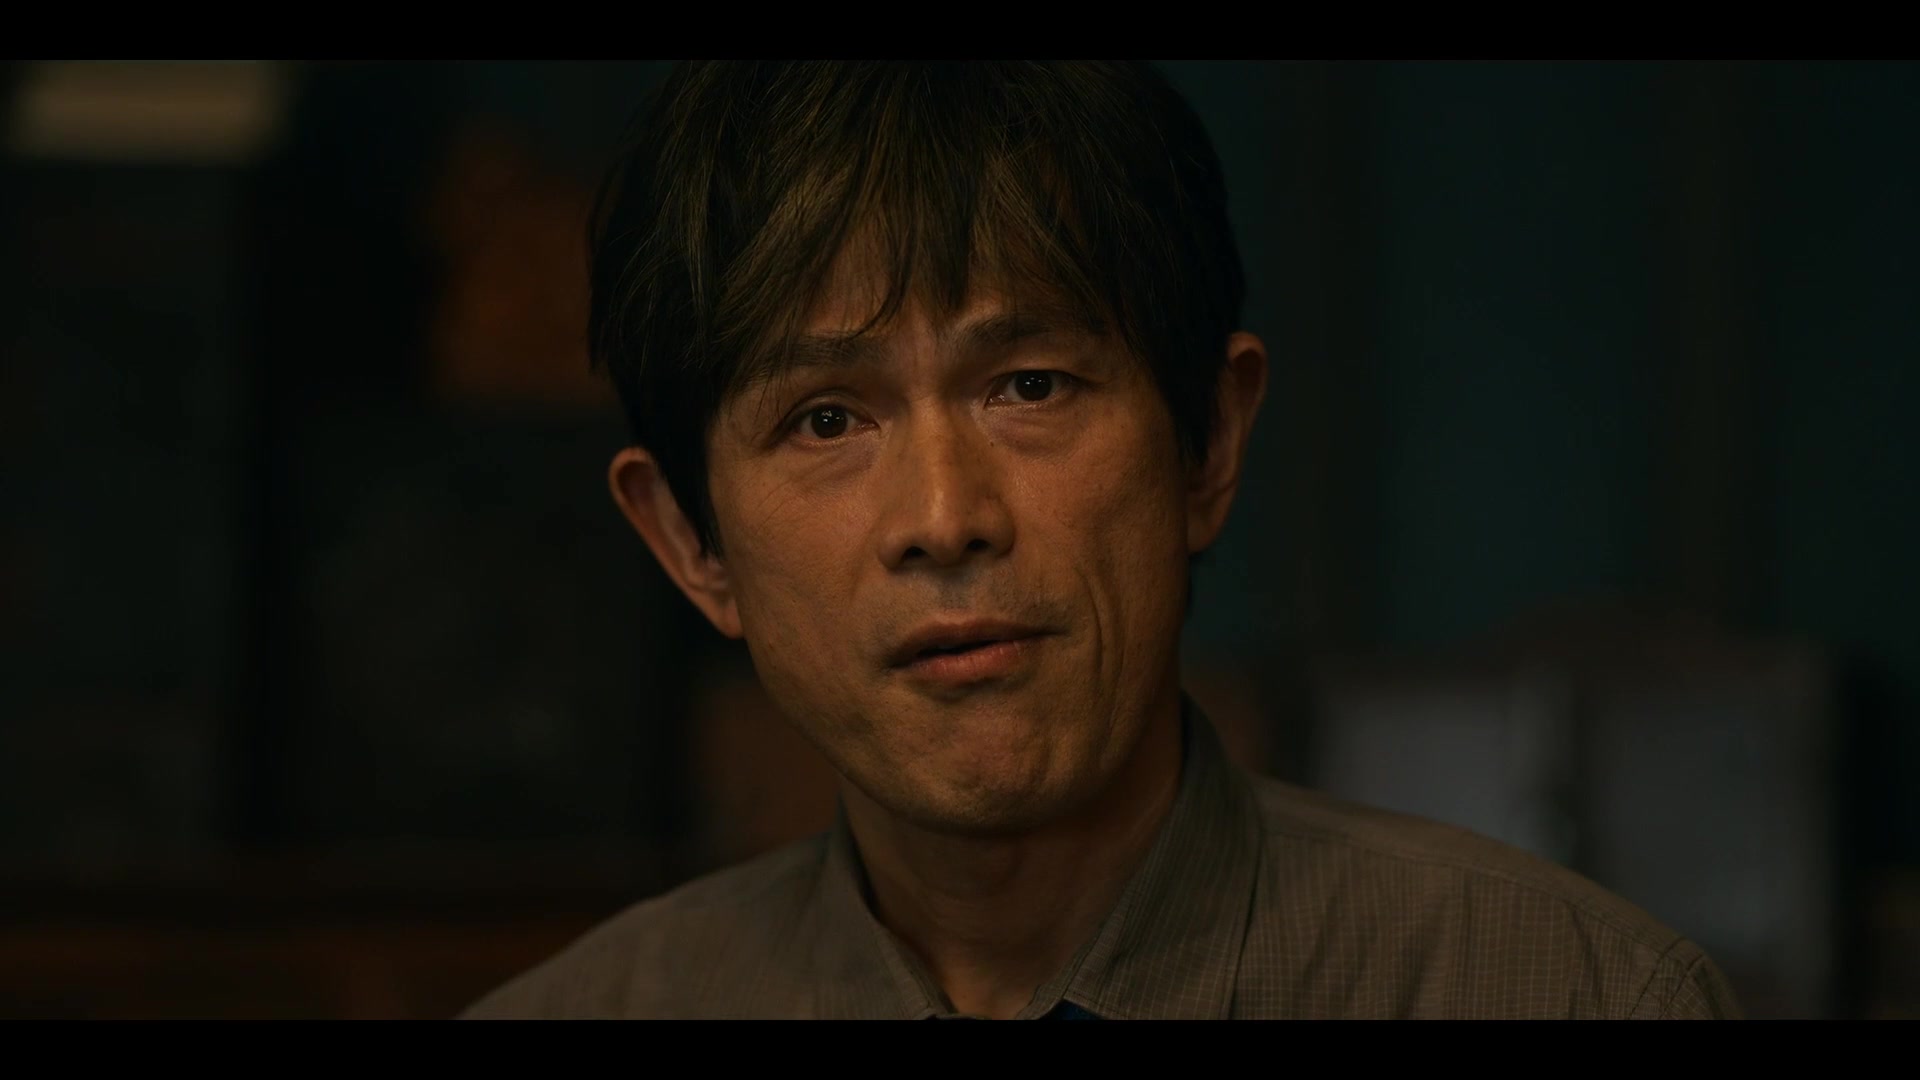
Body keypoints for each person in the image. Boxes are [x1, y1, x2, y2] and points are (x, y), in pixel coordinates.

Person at [462, 61, 1741, 1020]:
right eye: (827, 418)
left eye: (1029, 386)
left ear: (1209, 443)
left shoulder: (1569, 995)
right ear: (690, 542)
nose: (945, 518)